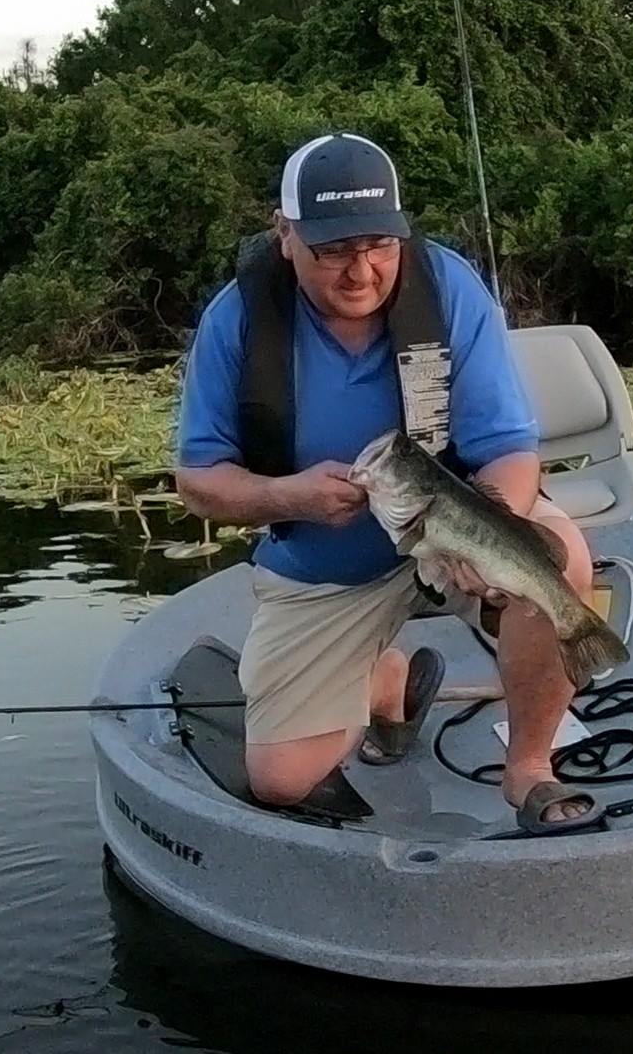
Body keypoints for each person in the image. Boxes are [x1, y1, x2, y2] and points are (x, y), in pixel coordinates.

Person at [173, 132, 602, 833]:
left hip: (453, 522)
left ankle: (528, 770)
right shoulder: (239, 318)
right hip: (324, 566)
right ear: (285, 236)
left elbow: (510, 450)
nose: (360, 270)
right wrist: (291, 496)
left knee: (558, 561)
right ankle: (385, 682)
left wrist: (494, 527)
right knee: (279, 781)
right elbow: (198, 482)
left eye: (378, 243)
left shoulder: (447, 286)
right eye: (333, 249)